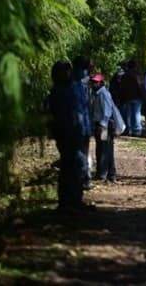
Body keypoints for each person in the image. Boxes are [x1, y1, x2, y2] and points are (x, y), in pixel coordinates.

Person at [48, 61, 84, 210]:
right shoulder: (59, 91)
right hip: (66, 133)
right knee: (71, 166)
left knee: (73, 166)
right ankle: (69, 201)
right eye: (66, 71)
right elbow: (63, 114)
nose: (68, 74)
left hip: (73, 133)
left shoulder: (70, 88)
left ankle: (73, 200)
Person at [90, 73, 118, 183]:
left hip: (104, 126)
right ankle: (110, 173)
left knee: (103, 150)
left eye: (96, 82)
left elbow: (107, 111)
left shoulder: (103, 94)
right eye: (93, 82)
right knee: (105, 149)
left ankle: (103, 173)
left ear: (101, 83)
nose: (94, 84)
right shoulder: (95, 94)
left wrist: (102, 125)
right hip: (101, 124)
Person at [72, 56, 93, 190]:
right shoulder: (83, 84)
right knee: (83, 154)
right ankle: (84, 179)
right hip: (83, 125)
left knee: (80, 154)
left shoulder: (74, 83)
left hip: (79, 125)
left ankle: (83, 179)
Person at [119, 60, 145, 137]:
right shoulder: (137, 75)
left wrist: (123, 96)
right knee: (137, 114)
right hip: (137, 96)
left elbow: (122, 87)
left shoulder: (125, 75)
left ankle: (129, 129)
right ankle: (137, 130)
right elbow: (140, 86)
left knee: (129, 114)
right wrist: (143, 95)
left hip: (128, 97)